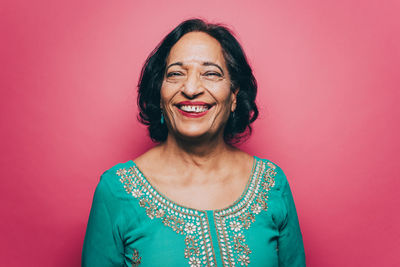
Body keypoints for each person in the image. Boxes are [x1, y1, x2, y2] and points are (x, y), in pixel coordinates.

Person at [82, 18, 305, 267]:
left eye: (211, 74)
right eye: (176, 74)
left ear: (234, 95)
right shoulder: (116, 190)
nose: (190, 88)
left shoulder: (272, 183)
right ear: (160, 91)